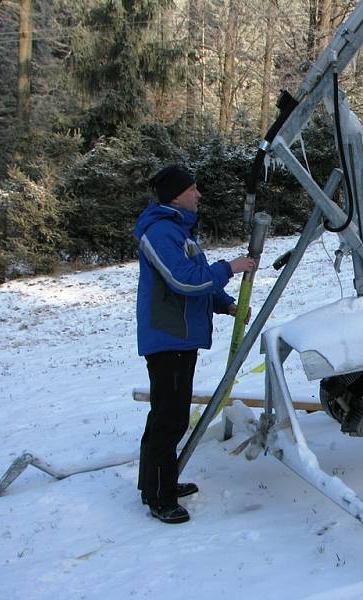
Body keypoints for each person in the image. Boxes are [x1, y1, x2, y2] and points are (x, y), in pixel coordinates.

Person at [134, 165, 255, 524]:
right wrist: (229, 267)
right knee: (169, 419)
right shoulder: (160, 233)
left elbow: (200, 284)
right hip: (167, 336)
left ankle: (156, 484)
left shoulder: (179, 232)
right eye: (193, 189)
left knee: (165, 414)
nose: (199, 194)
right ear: (176, 195)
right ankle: (160, 498)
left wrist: (226, 304)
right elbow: (182, 281)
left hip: (180, 336)